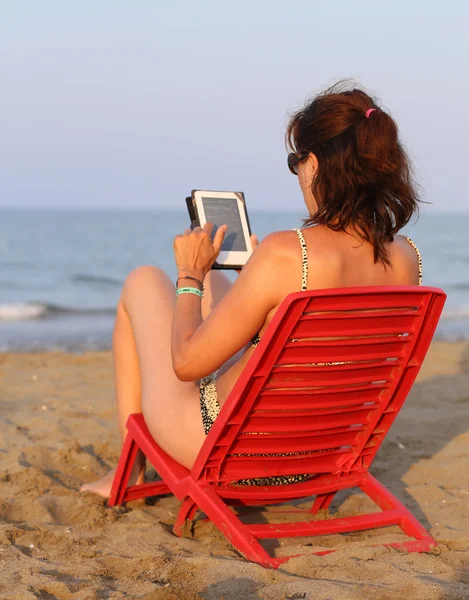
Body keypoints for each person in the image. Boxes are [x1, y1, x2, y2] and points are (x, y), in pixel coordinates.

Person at [81, 81, 422, 497]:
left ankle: (130, 469)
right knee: (220, 280)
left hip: (229, 452)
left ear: (313, 164)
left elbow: (186, 363)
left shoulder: (287, 252)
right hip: (321, 456)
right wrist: (257, 283)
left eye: (296, 162)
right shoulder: (406, 257)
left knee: (144, 281)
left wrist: (189, 274)